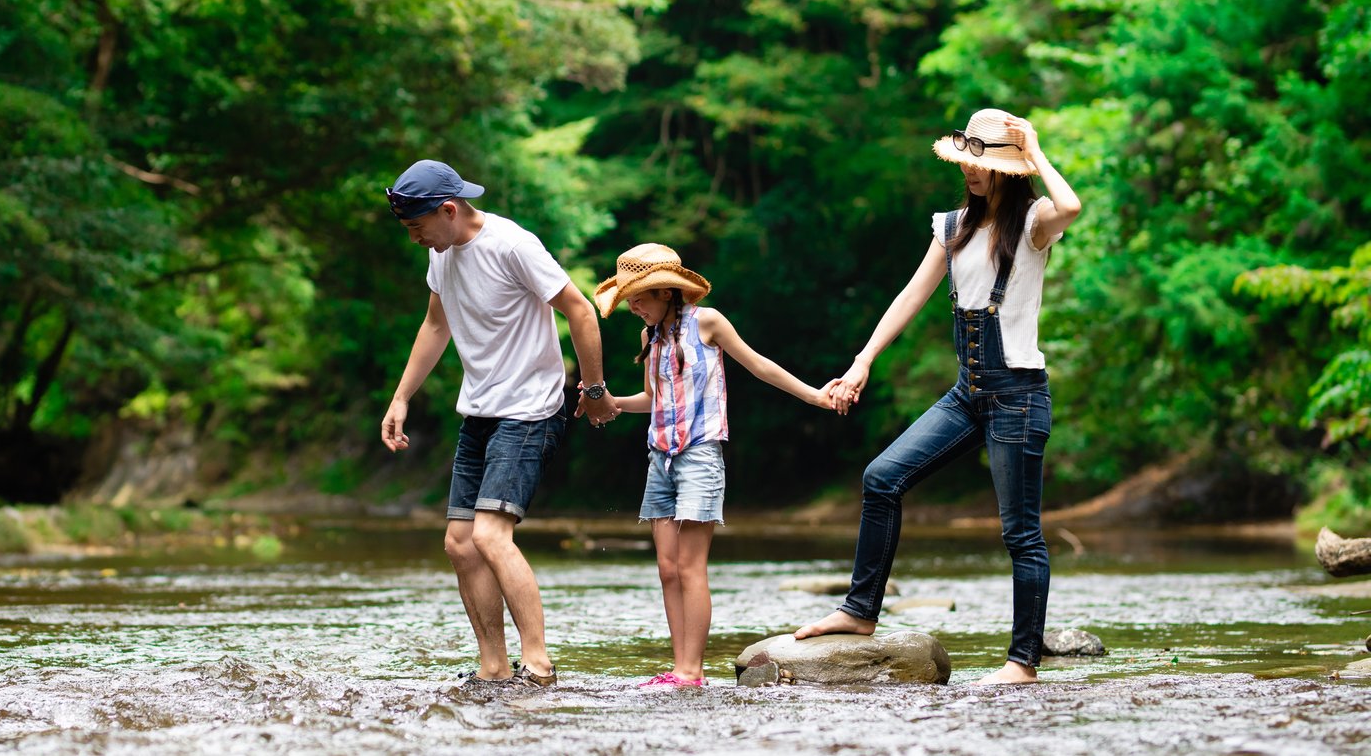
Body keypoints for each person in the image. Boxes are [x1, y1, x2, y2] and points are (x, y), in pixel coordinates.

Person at [795, 109, 1083, 685]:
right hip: (967, 393)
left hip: (1017, 396)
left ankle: (1023, 662)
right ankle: (859, 611)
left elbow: (1072, 206)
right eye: (966, 162)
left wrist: (1036, 150)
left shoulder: (1034, 223)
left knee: (1020, 533)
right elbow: (909, 296)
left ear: (1008, 168)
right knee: (882, 478)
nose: (970, 173)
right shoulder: (952, 227)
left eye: (982, 164)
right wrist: (862, 361)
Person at [379, 159, 622, 688]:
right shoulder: (442, 257)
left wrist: (594, 388)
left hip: (530, 409)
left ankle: (537, 664)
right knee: (459, 543)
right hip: (481, 411)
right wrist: (401, 398)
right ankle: (493, 666)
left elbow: (579, 310)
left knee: (490, 535)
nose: (415, 238)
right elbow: (435, 324)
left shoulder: (513, 244)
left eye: (417, 227)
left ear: (448, 210)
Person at [593, 244, 839, 687]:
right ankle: (681, 667)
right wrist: (609, 404)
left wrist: (814, 395)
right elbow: (652, 400)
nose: (633, 305)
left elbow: (759, 366)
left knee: (691, 567)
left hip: (700, 454)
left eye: (640, 296)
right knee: (667, 569)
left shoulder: (707, 321)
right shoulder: (648, 339)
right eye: (629, 298)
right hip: (660, 458)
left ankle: (691, 671)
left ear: (667, 292)